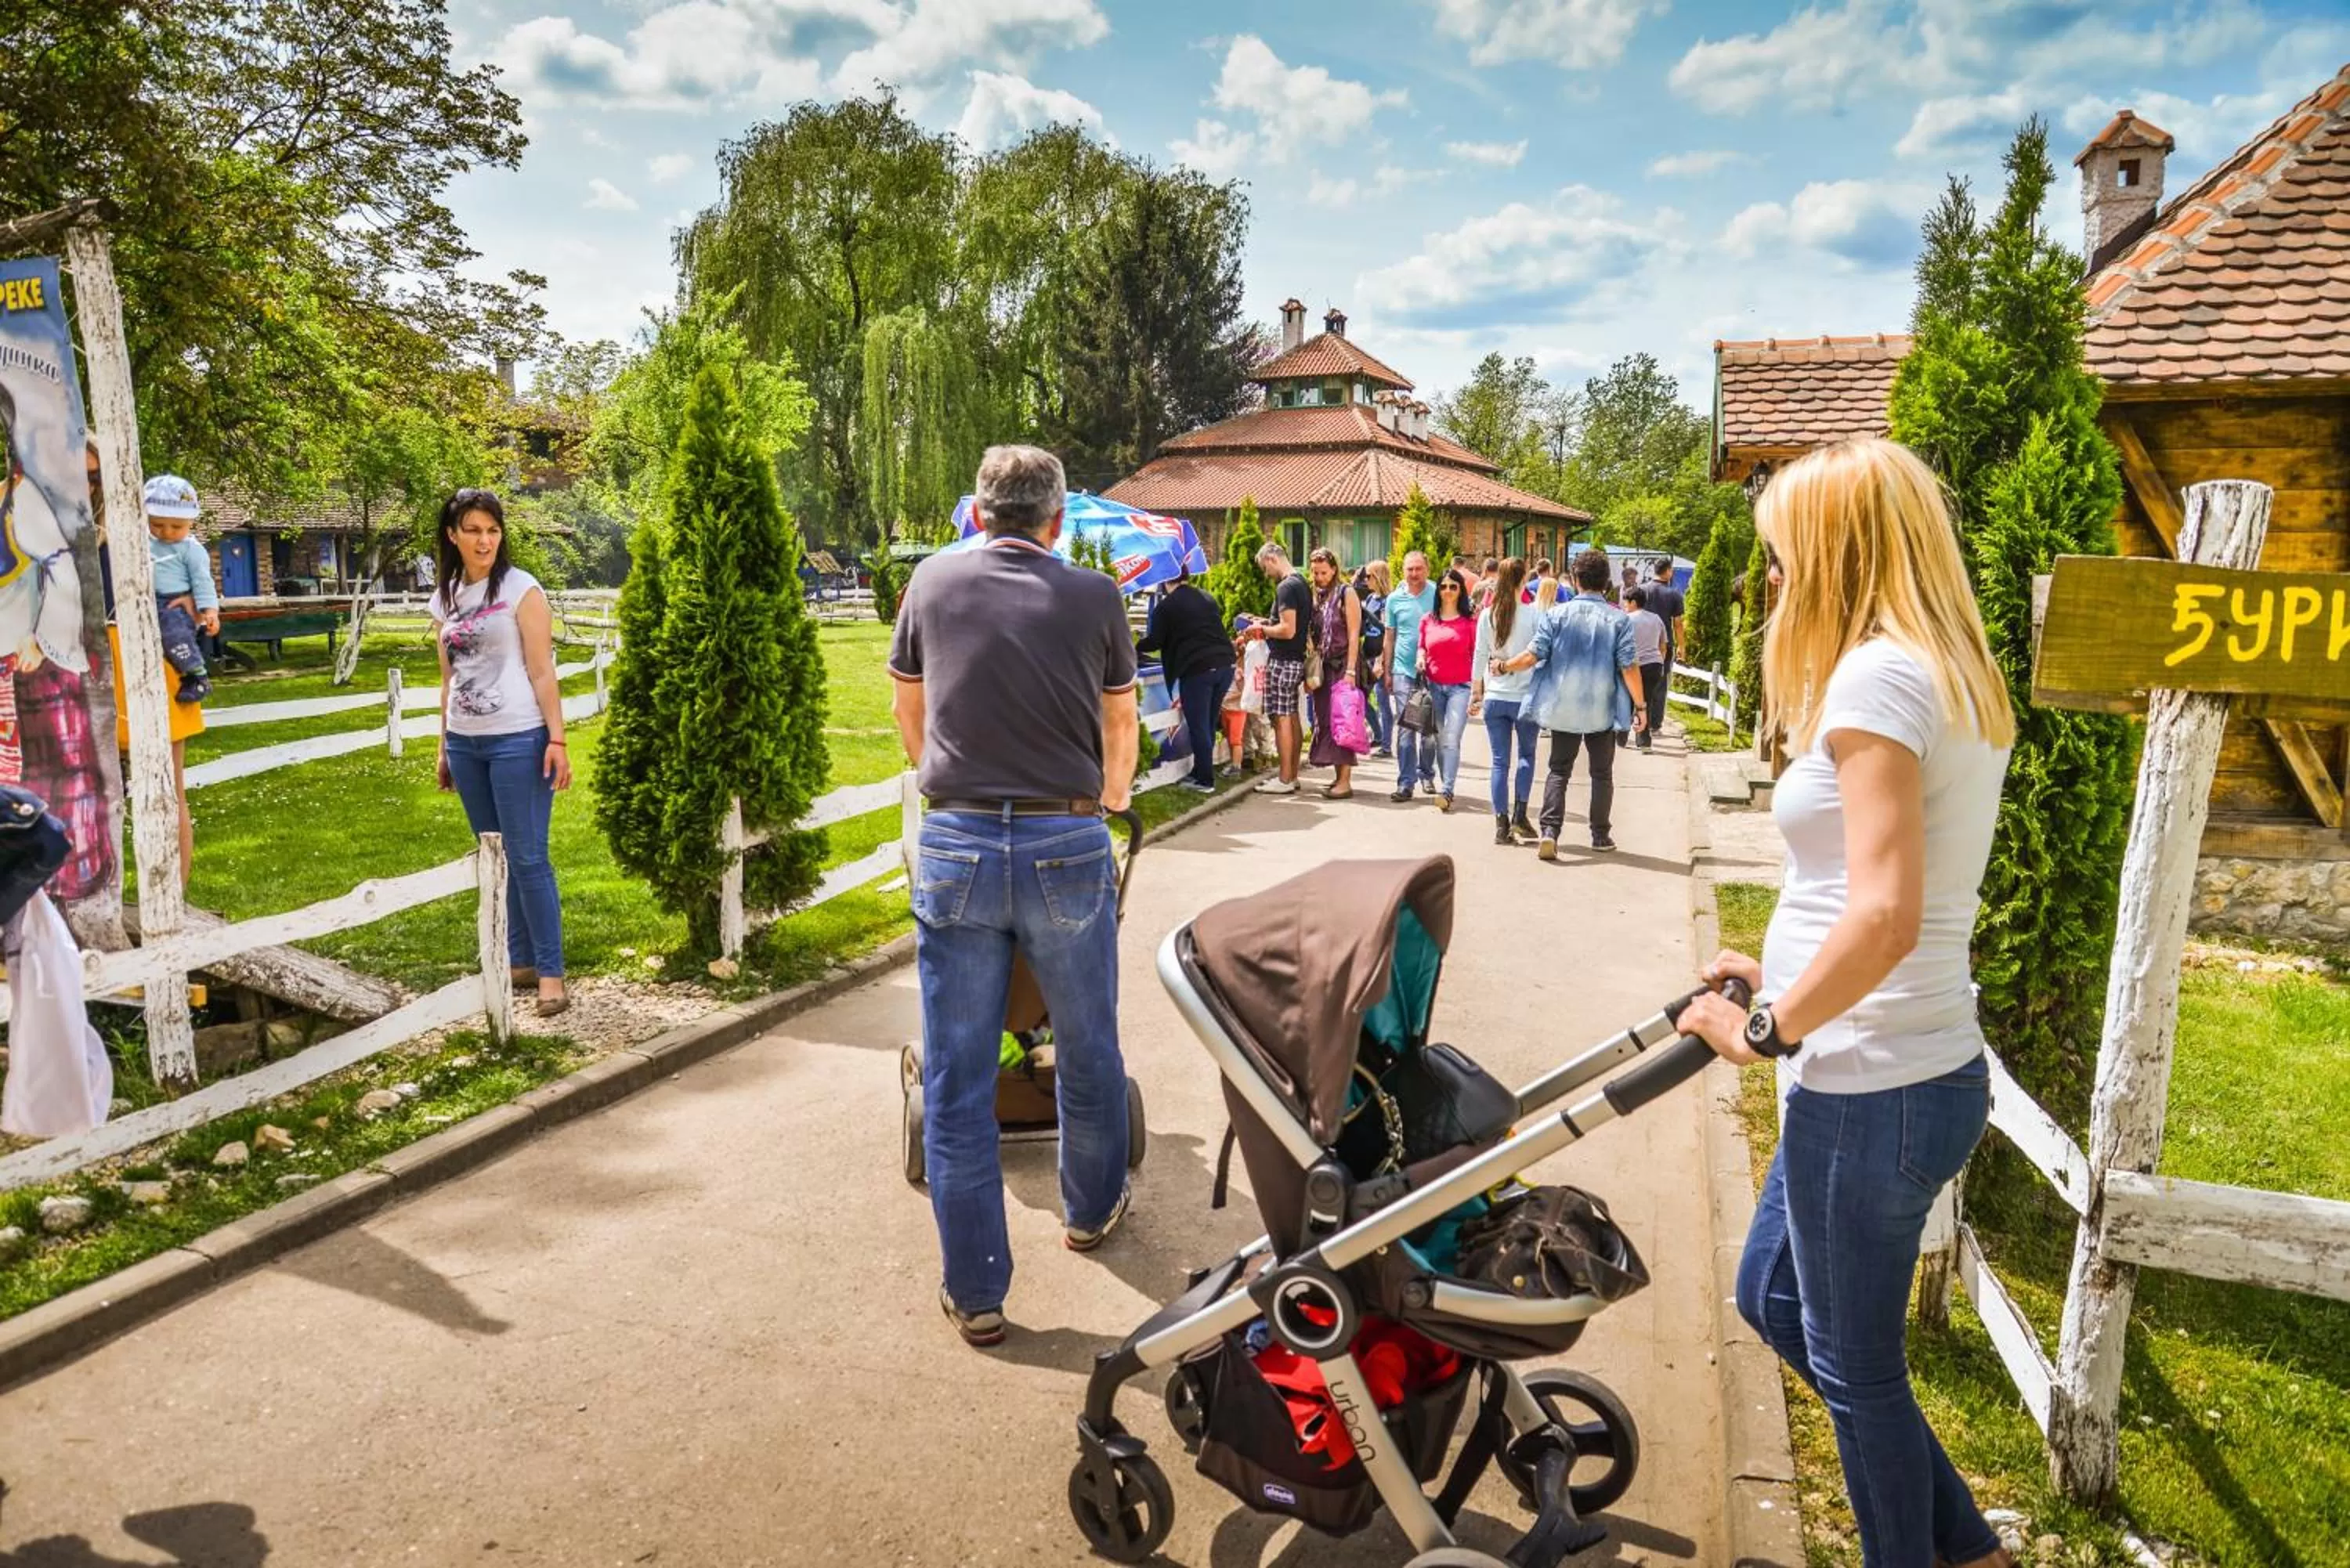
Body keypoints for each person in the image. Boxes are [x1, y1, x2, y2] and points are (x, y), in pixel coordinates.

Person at [1675, 439, 2019, 1568]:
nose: (1769, 581)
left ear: (1837, 552)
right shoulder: (1943, 669)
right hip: (1904, 1064)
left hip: (1869, 1080)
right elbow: (1857, 891)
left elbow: (1883, 913)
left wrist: (1769, 1026)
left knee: (1858, 1371)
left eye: (1781, 559)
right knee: (1771, 1293)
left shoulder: (1877, 675)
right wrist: (1776, 975)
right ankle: (1968, 1547)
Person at [889, 444, 1140, 1349]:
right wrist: (1113, 799)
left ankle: (977, 1287)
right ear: (1057, 519)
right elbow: (1119, 717)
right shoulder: (1094, 596)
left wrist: (938, 777)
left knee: (957, 1071)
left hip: (957, 835)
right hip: (1064, 835)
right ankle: (1088, 1207)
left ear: (980, 512)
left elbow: (907, 703)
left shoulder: (931, 584)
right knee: (1086, 1041)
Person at [430, 488, 570, 1018]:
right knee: (498, 859)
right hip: (467, 743)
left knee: (530, 857)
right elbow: (449, 677)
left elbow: (541, 670)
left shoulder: (520, 590)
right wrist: (444, 746)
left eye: (492, 529)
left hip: (519, 738)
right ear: (453, 536)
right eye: (472, 530)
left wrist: (557, 739)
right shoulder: (444, 597)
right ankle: (520, 959)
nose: (484, 540)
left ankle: (552, 973)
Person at [1492, 547, 1643, 858]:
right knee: (1602, 773)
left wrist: (1504, 666)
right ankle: (1600, 835)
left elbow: (1533, 655)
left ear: (1574, 579)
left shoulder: (1556, 615)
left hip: (1563, 708)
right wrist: (1641, 706)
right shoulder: (1619, 619)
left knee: (1558, 770)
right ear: (1606, 582)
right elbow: (1629, 666)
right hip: (1603, 708)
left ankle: (1550, 831)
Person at [1137, 566, 1234, 795]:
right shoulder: (1206, 598)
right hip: (1225, 665)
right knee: (1208, 723)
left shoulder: (1166, 607)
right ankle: (1202, 770)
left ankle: (1204, 780)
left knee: (1198, 726)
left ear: (1164, 580)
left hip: (1198, 669)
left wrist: (1131, 645)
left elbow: (1155, 642)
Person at [1471, 558, 1540, 844]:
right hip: (1525, 697)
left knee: (1500, 762)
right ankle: (1520, 814)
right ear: (1523, 580)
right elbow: (1539, 656)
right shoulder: (1534, 616)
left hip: (1496, 696)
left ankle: (1501, 823)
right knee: (1526, 756)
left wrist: (1477, 692)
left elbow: (1479, 656)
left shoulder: (1488, 615)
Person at [1245, 541, 1314, 797]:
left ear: (1272, 558)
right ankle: (1291, 775)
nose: (1266, 574)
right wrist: (1267, 622)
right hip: (1295, 660)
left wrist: (1262, 630)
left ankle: (1284, 779)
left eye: (1265, 568)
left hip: (1283, 661)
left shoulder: (1285, 587)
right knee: (1292, 717)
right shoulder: (1301, 582)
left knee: (1282, 719)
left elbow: (1288, 629)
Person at [141, 476, 217, 704]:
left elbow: (203, 581)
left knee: (174, 634)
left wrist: (209, 610)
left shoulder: (191, 550)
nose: (167, 532)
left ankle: (198, 674)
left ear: (191, 522)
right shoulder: (142, 542)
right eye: (157, 525)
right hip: (148, 599)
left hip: (174, 603)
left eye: (176, 526)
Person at [1303, 547, 1362, 799]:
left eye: (1323, 572)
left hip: (1343, 667)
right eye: (1315, 572)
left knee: (1343, 722)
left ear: (1334, 569)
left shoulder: (1346, 593)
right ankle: (1338, 778)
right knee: (1326, 720)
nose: (1319, 577)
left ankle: (1345, 782)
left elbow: (1352, 635)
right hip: (1323, 668)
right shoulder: (1317, 596)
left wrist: (1350, 670)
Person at [1416, 568, 1477, 812]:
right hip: (1434, 686)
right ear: (1438, 590)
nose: (1448, 591)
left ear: (1460, 590)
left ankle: (1448, 790)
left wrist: (1478, 691)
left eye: (1453, 586)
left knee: (1451, 738)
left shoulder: (1469, 623)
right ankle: (1444, 782)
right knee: (1439, 738)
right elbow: (1422, 647)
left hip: (1460, 688)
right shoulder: (1428, 620)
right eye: (1444, 586)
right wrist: (1420, 659)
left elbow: (1478, 656)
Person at [1380, 551, 1437, 801]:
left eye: (1418, 569)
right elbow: (1390, 636)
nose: (1414, 574)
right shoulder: (1394, 599)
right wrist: (1388, 669)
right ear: (1403, 571)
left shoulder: (1438, 593)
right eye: (1409, 570)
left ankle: (1426, 773)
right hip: (1403, 671)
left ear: (1427, 569)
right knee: (1406, 729)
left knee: (1429, 732)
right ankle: (1406, 782)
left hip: (1433, 672)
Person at [1625, 586, 1669, 751]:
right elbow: (1663, 645)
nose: (1625, 606)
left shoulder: (1627, 619)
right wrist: (1660, 662)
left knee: (1629, 700)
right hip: (1654, 665)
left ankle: (1621, 737)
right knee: (1646, 702)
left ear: (1633, 602)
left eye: (1626, 602)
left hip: (1634, 665)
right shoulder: (1656, 619)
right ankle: (1644, 742)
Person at [1354, 561, 1391, 756]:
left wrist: (1383, 660)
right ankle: (1377, 734)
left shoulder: (1388, 601)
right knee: (1361, 697)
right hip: (1367, 653)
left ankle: (1386, 744)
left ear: (1378, 577)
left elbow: (1387, 630)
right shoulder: (1370, 599)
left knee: (1382, 700)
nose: (1365, 580)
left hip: (1380, 656)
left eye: (1368, 576)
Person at [1647, 558, 1687, 685]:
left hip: (1642, 641)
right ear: (1668, 571)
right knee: (1660, 683)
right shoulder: (1674, 594)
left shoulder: (1642, 590)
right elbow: (1678, 624)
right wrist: (1681, 646)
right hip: (1664, 644)